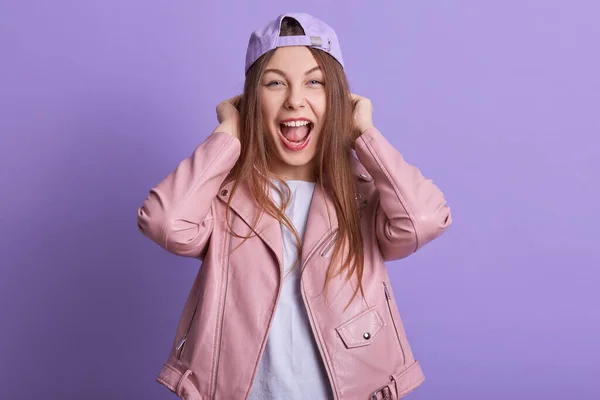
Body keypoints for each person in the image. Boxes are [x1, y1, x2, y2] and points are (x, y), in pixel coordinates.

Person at [137, 12, 451, 400]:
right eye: (274, 83)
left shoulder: (365, 195)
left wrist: (365, 136)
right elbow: (164, 223)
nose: (295, 100)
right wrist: (226, 136)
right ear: (252, 101)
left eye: (314, 82)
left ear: (337, 99)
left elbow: (424, 219)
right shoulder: (224, 195)